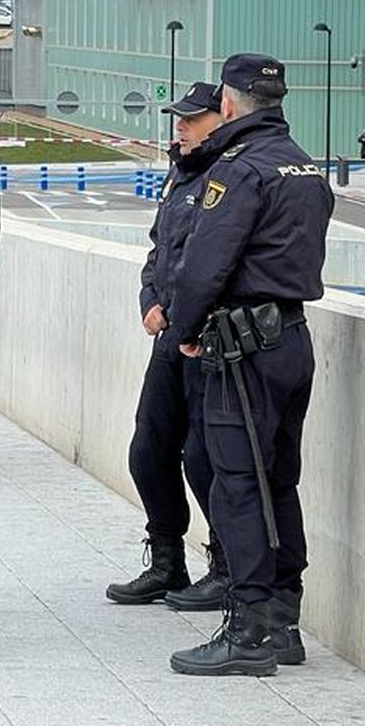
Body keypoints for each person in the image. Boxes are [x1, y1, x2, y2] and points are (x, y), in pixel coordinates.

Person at [164, 54, 333, 677]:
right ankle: (284, 621)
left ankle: (248, 629)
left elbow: (204, 264)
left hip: (242, 351)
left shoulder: (237, 171)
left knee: (235, 484)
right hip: (290, 338)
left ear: (229, 104)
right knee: (278, 481)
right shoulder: (304, 165)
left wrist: (182, 330)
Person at [106, 81, 228, 610]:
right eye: (179, 118)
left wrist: (190, 317)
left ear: (220, 118)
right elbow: (159, 251)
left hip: (209, 341)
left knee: (206, 459)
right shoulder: (181, 173)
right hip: (169, 334)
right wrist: (149, 300)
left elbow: (220, 263)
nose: (180, 126)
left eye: (191, 118)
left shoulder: (232, 173)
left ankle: (224, 563)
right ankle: (166, 560)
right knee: (148, 451)